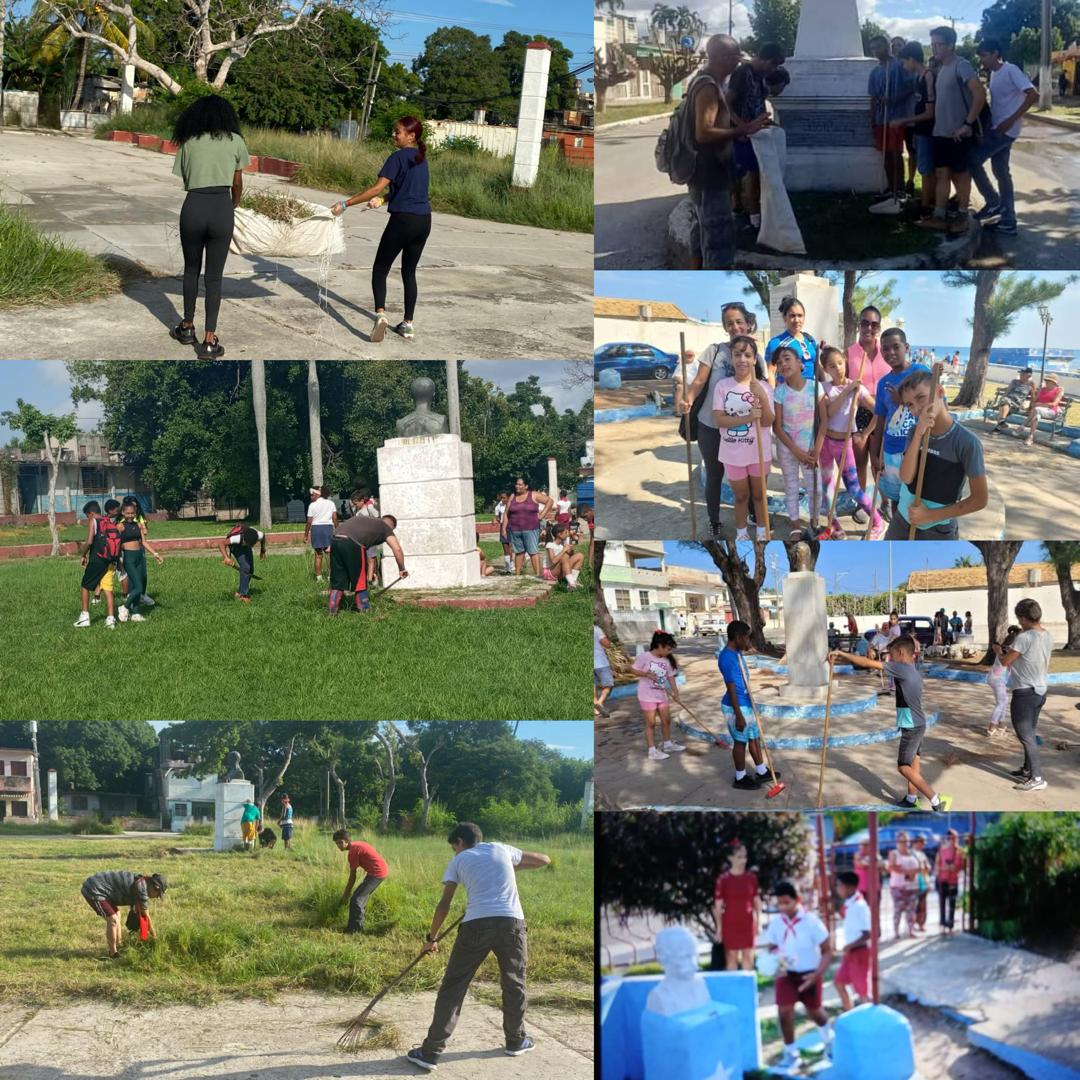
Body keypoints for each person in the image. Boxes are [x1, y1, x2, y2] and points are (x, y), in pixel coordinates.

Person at [407, 823, 550, 1070]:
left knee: (454, 985)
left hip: (475, 925)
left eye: (454, 847)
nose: (455, 852)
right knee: (514, 982)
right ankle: (516, 1041)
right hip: (511, 924)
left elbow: (444, 904)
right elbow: (543, 859)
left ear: (460, 842)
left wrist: (432, 938)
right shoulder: (500, 849)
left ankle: (430, 1052)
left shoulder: (460, 859)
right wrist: (508, 867)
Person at [332, 117, 431, 342]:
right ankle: (407, 325)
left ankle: (381, 316)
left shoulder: (396, 157)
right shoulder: (421, 159)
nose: (393, 135)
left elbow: (375, 187)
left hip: (403, 221)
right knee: (409, 272)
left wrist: (346, 204)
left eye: (397, 132)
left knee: (380, 269)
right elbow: (406, 190)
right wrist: (383, 200)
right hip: (424, 221)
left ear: (411, 136)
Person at [830, 635, 952, 811]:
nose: (890, 658)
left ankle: (936, 800)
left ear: (901, 653)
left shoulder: (901, 669)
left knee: (903, 766)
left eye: (892, 654)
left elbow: (866, 663)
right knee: (913, 763)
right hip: (918, 723)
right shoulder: (912, 670)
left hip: (912, 726)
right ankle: (911, 798)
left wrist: (842, 653)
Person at [675, 301, 766, 539]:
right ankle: (714, 520)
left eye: (739, 322)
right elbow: (699, 382)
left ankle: (750, 514)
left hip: (745, 429)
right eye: (730, 323)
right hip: (712, 426)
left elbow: (765, 390)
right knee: (714, 475)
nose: (735, 326)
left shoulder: (757, 355)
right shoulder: (714, 350)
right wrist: (688, 400)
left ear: (748, 323)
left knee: (745, 476)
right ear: (725, 327)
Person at [169, 94, 250, 358]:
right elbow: (237, 183)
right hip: (221, 208)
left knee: (191, 270)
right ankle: (208, 340)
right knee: (214, 277)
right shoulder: (235, 141)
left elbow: (185, 176)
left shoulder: (189, 142)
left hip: (193, 207)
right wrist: (233, 204)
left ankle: (187, 326)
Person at [685, 35, 771, 269]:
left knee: (702, 227)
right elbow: (703, 132)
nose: (739, 63)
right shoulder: (708, 87)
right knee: (717, 235)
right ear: (724, 58)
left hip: (708, 171)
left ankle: (697, 271)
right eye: (737, 57)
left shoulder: (713, 82)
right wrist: (739, 131)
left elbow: (724, 116)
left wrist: (746, 127)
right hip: (709, 173)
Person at [886, 367, 988, 539]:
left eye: (921, 398)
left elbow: (980, 500)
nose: (917, 408)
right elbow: (906, 477)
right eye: (910, 404)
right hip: (902, 520)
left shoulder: (967, 443)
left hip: (937, 529)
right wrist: (919, 434)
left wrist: (930, 516)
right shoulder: (913, 432)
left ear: (940, 391)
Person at [918, 26, 987, 233]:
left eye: (939, 44)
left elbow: (980, 95)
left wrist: (967, 124)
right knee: (941, 175)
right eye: (932, 44)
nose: (934, 48)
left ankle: (962, 216)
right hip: (941, 132)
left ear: (950, 45)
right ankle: (939, 216)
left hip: (958, 133)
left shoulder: (961, 65)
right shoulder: (941, 69)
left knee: (961, 175)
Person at [762, 881, 832, 1071]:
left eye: (787, 902)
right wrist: (775, 958)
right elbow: (771, 946)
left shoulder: (811, 922)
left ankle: (829, 1042)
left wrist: (817, 974)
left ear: (797, 900)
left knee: (815, 1012)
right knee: (784, 1012)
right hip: (786, 975)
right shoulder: (776, 923)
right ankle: (791, 1053)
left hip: (809, 974)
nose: (783, 907)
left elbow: (827, 951)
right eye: (780, 903)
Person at [970, 40, 1037, 236]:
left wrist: (1011, 120)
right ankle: (1008, 221)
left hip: (1005, 131)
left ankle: (993, 202)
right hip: (997, 128)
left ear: (995, 53)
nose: (982, 60)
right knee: (1001, 171)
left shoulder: (1010, 69)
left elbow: (1033, 94)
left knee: (972, 160)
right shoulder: (994, 73)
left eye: (984, 55)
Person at [819, 345, 884, 538]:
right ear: (826, 369)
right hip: (825, 444)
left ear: (845, 363)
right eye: (832, 366)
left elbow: (879, 411)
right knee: (827, 488)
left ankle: (877, 523)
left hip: (843, 444)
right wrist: (847, 389)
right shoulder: (825, 388)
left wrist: (866, 432)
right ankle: (835, 526)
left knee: (854, 489)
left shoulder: (858, 389)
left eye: (840, 363)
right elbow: (829, 413)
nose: (837, 368)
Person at [713, 335, 773, 541]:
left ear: (755, 359)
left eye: (748, 355)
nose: (742, 359)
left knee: (759, 496)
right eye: (737, 354)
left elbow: (768, 421)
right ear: (731, 358)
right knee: (741, 496)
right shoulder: (722, 386)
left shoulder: (764, 387)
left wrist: (762, 397)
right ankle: (741, 533)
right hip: (733, 453)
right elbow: (719, 419)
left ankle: (763, 532)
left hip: (759, 452)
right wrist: (748, 417)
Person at [869, 328, 929, 520]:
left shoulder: (920, 373)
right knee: (897, 499)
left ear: (906, 347)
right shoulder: (883, 383)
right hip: (891, 452)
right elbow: (880, 421)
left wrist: (901, 399)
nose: (891, 353)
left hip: (916, 449)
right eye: (885, 349)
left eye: (896, 347)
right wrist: (874, 455)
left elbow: (934, 407)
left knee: (916, 498)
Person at [994, 598, 1053, 792]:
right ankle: (1028, 769)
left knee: (1025, 735)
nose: (1019, 623)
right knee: (1030, 732)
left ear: (1024, 618)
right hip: (1040, 691)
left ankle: (1036, 777)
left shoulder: (1024, 637)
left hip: (1025, 692)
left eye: (1020, 619)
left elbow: (1005, 662)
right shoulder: (1046, 635)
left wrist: (998, 651)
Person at [728, 43, 786, 231]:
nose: (773, 70)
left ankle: (755, 219)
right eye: (773, 65)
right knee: (736, 176)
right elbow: (725, 104)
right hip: (739, 134)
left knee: (755, 175)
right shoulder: (742, 73)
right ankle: (735, 211)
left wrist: (764, 123)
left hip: (756, 133)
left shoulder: (760, 77)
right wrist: (742, 127)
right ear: (767, 60)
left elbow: (757, 102)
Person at [720, 620, 779, 791]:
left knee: (754, 737)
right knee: (740, 742)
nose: (748, 642)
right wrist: (738, 715)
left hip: (746, 704)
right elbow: (731, 688)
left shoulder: (737, 653)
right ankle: (740, 777)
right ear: (738, 637)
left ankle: (761, 771)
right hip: (735, 706)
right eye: (746, 639)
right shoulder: (727, 658)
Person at [772, 345, 824, 539]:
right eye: (778, 363)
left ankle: (815, 520)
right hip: (787, 449)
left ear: (801, 364)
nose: (783, 364)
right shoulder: (780, 392)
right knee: (791, 486)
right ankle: (794, 523)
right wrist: (797, 452)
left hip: (811, 451)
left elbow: (824, 421)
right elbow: (777, 427)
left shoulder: (815, 388)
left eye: (787, 359)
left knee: (815, 488)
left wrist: (816, 450)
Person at [328, 501, 408, 613]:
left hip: (335, 539)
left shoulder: (368, 520)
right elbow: (397, 549)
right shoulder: (385, 528)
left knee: (338, 581)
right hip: (353, 543)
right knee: (360, 580)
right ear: (391, 526)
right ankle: (364, 610)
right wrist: (402, 568)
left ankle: (332, 611)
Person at [846, 306, 889, 499]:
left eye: (874, 324)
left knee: (879, 461)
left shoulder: (886, 352)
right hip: (860, 413)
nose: (869, 328)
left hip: (884, 413)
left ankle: (885, 501)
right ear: (859, 325)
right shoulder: (849, 353)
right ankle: (862, 502)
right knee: (860, 461)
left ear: (878, 328)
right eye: (865, 323)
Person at [867, 35, 915, 201]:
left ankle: (899, 188)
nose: (876, 51)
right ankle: (889, 187)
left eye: (879, 47)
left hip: (896, 117)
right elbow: (873, 97)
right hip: (881, 118)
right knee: (886, 154)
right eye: (873, 48)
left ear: (888, 47)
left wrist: (896, 98)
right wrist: (872, 120)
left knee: (895, 152)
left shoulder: (899, 65)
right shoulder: (874, 72)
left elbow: (911, 86)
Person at [893, 42, 937, 215]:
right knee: (923, 166)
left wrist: (904, 120)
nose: (904, 66)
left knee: (926, 169)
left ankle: (927, 206)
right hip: (920, 130)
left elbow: (929, 112)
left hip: (928, 130)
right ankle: (926, 200)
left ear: (912, 59)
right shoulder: (919, 78)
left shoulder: (927, 77)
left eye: (904, 62)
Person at [81, 871, 167, 957]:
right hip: (94, 889)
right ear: (156, 887)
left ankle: (119, 945)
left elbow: (140, 911)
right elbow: (146, 915)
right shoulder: (142, 887)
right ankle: (113, 953)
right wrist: (155, 936)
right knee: (113, 919)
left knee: (117, 915)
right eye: (158, 895)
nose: (156, 897)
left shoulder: (143, 882)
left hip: (102, 889)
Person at [631, 630, 686, 762]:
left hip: (661, 695)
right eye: (667, 649)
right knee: (650, 723)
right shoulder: (645, 656)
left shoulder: (667, 660)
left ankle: (667, 744)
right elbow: (632, 669)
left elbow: (671, 677)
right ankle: (652, 751)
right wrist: (646, 674)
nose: (669, 652)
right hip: (647, 695)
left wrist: (675, 692)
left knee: (666, 720)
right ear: (659, 645)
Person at [713, 840, 761, 971]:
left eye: (744, 856)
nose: (743, 860)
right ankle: (733, 989)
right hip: (730, 923)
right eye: (739, 857)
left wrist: (759, 922)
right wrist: (719, 928)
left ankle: (747, 989)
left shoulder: (751, 878)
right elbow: (717, 906)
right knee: (731, 958)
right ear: (730, 859)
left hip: (748, 921)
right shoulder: (723, 879)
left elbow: (756, 901)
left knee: (749, 956)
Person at [116, 496, 164, 623]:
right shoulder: (120, 526)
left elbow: (144, 542)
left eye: (132, 513)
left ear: (135, 513)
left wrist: (155, 554)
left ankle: (136, 613)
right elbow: (116, 545)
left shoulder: (138, 525)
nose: (130, 515)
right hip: (129, 558)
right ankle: (124, 607)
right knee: (138, 587)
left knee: (138, 585)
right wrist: (118, 561)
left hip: (139, 557)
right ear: (123, 513)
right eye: (127, 513)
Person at [332, 828, 389, 933]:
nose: (339, 845)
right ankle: (356, 927)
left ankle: (356, 929)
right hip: (377, 871)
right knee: (359, 898)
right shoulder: (357, 844)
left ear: (347, 840)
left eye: (341, 842)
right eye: (337, 843)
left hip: (377, 873)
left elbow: (352, 877)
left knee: (356, 899)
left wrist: (345, 895)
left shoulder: (353, 852)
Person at [74, 500, 120, 630]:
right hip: (110, 561)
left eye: (87, 515)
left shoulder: (94, 521)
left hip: (97, 560)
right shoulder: (109, 521)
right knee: (108, 589)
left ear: (91, 513)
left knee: (85, 585)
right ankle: (111, 619)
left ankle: (84, 617)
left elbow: (89, 541)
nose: (87, 518)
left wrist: (83, 555)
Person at [833, 870, 871, 1011]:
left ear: (849, 887)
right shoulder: (849, 904)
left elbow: (869, 933)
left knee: (862, 991)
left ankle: (870, 1020)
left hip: (859, 952)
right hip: (851, 952)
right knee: (839, 982)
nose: (837, 889)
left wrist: (851, 945)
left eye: (839, 885)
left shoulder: (860, 906)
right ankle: (849, 1012)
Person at [504, 477, 554, 578]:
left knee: (533, 552)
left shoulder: (533, 495)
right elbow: (506, 513)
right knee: (518, 552)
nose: (517, 486)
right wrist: (503, 529)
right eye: (516, 484)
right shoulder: (512, 496)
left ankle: (538, 575)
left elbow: (550, 501)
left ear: (526, 486)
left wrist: (542, 515)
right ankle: (517, 575)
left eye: (520, 484)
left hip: (531, 529)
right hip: (515, 529)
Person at [765, 295, 818, 384]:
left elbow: (816, 367)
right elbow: (771, 373)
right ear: (785, 317)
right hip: (788, 394)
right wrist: (772, 396)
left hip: (811, 392)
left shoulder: (810, 339)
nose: (797, 320)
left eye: (800, 316)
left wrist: (824, 387)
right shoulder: (776, 343)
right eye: (792, 316)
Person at [217, 522, 266, 603]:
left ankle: (239, 592)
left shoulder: (258, 535)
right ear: (244, 540)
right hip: (236, 546)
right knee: (246, 567)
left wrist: (263, 550)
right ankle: (243, 595)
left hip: (246, 545)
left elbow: (263, 536)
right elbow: (221, 543)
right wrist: (226, 558)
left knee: (250, 570)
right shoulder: (237, 538)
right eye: (248, 545)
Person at [886, 833, 919, 938]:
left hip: (912, 885)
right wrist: (907, 871)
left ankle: (910, 930)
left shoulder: (913, 853)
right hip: (898, 886)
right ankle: (896, 932)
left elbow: (919, 865)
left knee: (911, 910)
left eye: (906, 841)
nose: (904, 844)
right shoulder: (894, 853)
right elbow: (892, 867)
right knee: (898, 910)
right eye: (902, 841)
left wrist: (912, 872)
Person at [304, 485, 338, 582]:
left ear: (316, 494)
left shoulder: (312, 505)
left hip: (316, 529)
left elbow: (309, 522)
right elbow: (335, 518)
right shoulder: (331, 503)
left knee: (318, 554)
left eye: (311, 495)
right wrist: (338, 530)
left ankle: (319, 578)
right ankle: (330, 576)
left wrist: (306, 535)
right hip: (328, 528)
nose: (310, 497)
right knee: (329, 554)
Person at [934, 828, 963, 934]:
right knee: (942, 902)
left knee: (952, 903)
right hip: (943, 879)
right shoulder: (941, 850)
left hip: (953, 880)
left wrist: (949, 867)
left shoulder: (959, 851)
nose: (952, 840)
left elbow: (959, 866)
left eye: (954, 838)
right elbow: (937, 865)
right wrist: (946, 868)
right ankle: (942, 925)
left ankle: (951, 925)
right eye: (950, 838)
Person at [1024, 374, 1065, 447]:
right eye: (1046, 380)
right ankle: (1030, 437)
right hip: (1038, 411)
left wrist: (1039, 404)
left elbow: (1054, 404)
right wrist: (1033, 390)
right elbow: (1035, 400)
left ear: (1054, 383)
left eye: (1049, 381)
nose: (1046, 382)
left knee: (1037, 409)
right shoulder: (1042, 389)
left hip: (1051, 411)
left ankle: (1023, 425)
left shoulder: (1059, 390)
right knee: (1036, 416)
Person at [992, 366, 1034, 432]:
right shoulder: (1014, 381)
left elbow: (1033, 397)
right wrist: (1001, 400)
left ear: (1029, 375)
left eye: (1023, 374)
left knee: (1003, 405)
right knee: (1005, 402)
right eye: (1020, 373)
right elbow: (1007, 392)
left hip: (1016, 405)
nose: (1020, 375)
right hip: (1007, 401)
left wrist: (1030, 407)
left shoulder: (1031, 384)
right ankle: (1000, 423)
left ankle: (999, 425)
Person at [543, 524, 583, 588]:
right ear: (559, 534)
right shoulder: (550, 545)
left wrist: (571, 551)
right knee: (564, 557)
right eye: (565, 532)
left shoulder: (562, 546)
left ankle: (573, 581)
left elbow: (568, 560)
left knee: (580, 556)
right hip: (550, 572)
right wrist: (564, 550)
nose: (567, 534)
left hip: (560, 569)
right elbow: (553, 561)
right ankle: (571, 583)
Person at [911, 835, 932, 932]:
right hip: (914, 882)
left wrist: (927, 867)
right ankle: (913, 924)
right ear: (916, 842)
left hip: (923, 881)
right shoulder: (910, 854)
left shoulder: (922, 854)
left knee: (923, 904)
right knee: (914, 905)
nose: (923, 845)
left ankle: (921, 923)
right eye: (922, 843)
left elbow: (928, 866)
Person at [594, 624, 614, 718]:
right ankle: (600, 702)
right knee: (609, 684)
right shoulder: (596, 629)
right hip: (600, 663)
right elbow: (607, 644)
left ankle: (595, 709)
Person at [493, 492, 514, 573]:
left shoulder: (512, 505)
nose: (502, 499)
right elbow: (497, 517)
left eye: (504, 498)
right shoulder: (499, 506)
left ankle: (512, 566)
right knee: (505, 547)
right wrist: (496, 519)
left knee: (511, 547)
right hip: (503, 527)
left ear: (508, 498)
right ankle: (508, 567)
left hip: (512, 526)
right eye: (501, 498)